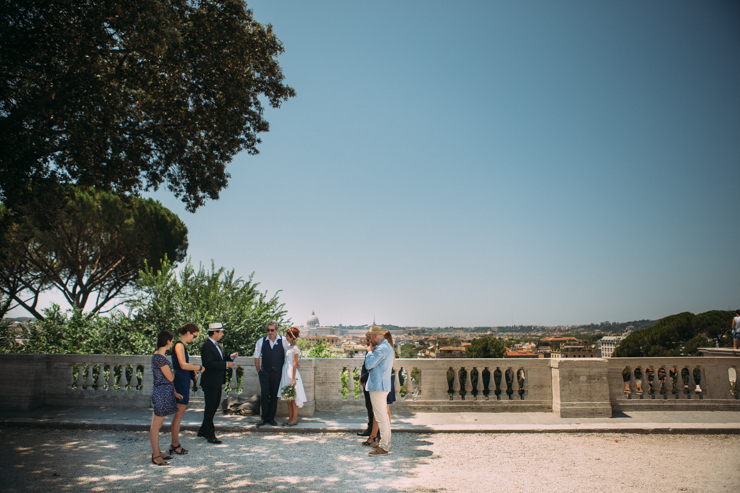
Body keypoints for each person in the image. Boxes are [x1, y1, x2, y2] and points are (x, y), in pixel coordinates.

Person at [198, 322, 237, 444]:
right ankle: (210, 434)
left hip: (215, 381)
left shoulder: (214, 345)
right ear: (215, 332)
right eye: (221, 332)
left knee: (213, 406)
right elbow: (209, 364)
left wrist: (228, 358)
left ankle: (203, 430)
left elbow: (217, 360)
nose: (222, 334)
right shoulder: (207, 346)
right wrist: (226, 364)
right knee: (211, 407)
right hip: (210, 382)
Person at [170, 323, 205, 455]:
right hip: (180, 379)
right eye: (194, 336)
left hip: (183, 378)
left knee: (179, 414)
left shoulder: (182, 346)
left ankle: (174, 443)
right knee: (178, 414)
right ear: (189, 333)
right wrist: (198, 368)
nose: (194, 339)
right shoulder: (179, 345)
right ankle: (174, 444)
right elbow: (182, 365)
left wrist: (192, 373)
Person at [150, 330, 182, 466]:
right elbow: (170, 377)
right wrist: (175, 373)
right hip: (161, 393)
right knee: (156, 426)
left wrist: (174, 392)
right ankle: (156, 455)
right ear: (168, 341)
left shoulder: (158, 356)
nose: (172, 343)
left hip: (163, 391)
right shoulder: (160, 358)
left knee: (156, 425)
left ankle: (157, 452)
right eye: (172, 340)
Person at [364, 324, 394, 456]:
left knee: (381, 417)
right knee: (383, 417)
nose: (370, 340)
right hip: (383, 385)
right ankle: (385, 444)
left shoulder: (380, 349)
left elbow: (369, 365)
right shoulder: (387, 347)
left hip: (377, 386)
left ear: (375, 336)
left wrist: (370, 351)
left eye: (370, 337)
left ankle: (384, 446)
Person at [253, 320, 290, 426]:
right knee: (264, 394)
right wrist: (259, 370)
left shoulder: (283, 340)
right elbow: (256, 356)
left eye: (272, 330)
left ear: (277, 330)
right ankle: (264, 418)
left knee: (274, 395)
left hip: (277, 372)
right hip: (265, 372)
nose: (270, 332)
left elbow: (288, 354)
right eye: (268, 330)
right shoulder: (261, 341)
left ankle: (271, 417)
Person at [279, 327, 307, 426]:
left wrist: (293, 378)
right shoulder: (289, 346)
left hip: (291, 372)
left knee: (294, 397)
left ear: (292, 337)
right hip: (286, 371)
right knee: (288, 397)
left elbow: (295, 364)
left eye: (287, 336)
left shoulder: (295, 348)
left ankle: (294, 419)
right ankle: (290, 417)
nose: (286, 337)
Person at [357, 334, 375, 439]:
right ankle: (370, 428)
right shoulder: (370, 350)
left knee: (373, 408)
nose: (366, 342)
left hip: (370, 383)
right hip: (367, 382)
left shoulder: (374, 352)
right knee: (369, 407)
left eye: (368, 340)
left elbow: (371, 368)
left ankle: (374, 432)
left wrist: (363, 379)